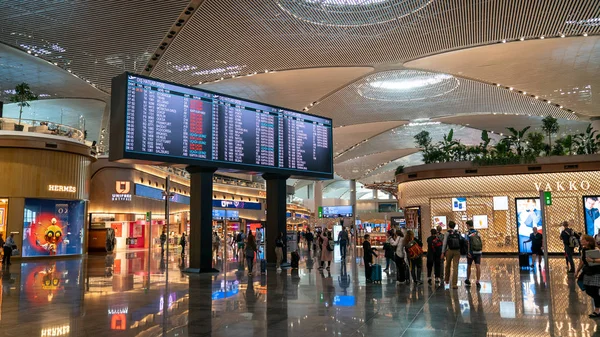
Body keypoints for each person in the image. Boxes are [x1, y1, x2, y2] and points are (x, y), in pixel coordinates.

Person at [575, 235, 600, 318]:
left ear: (588, 241)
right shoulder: (584, 250)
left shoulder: (596, 249)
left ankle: (597, 310)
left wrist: (593, 260)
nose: (581, 241)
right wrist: (577, 270)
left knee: (594, 290)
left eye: (582, 240)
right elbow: (582, 261)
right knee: (588, 289)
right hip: (587, 272)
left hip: (595, 272)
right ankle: (598, 303)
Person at [442, 221, 462, 289]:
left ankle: (447, 280)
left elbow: (444, 243)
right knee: (455, 267)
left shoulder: (447, 233)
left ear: (448, 226)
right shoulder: (458, 233)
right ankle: (454, 284)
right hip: (457, 251)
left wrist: (442, 252)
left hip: (449, 251)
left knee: (448, 265)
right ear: (454, 226)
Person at [465, 220, 482, 288]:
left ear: (468, 225)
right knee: (478, 266)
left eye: (467, 225)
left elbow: (468, 243)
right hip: (478, 252)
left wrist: (468, 252)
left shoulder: (468, 233)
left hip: (471, 252)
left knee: (469, 265)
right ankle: (478, 281)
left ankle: (468, 279)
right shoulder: (477, 233)